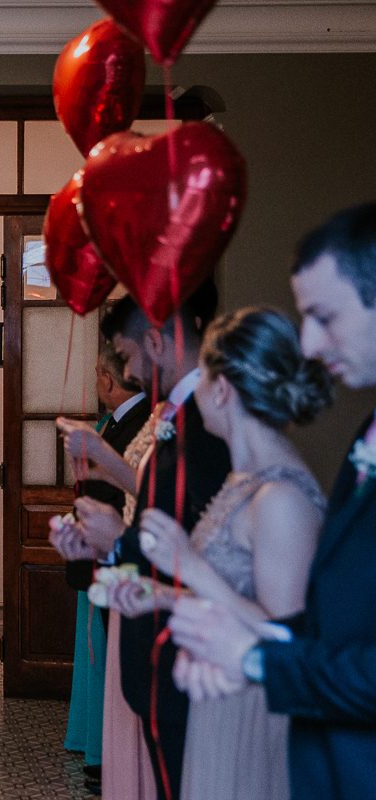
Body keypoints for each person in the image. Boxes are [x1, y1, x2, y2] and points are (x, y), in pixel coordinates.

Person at [169, 203, 376, 799]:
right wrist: (226, 645)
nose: (308, 342)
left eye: (324, 315)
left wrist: (256, 660)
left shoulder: (279, 495)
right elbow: (330, 620)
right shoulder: (364, 437)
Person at [113, 307, 331, 800]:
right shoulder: (242, 481)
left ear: (223, 390)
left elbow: (288, 638)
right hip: (215, 701)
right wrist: (161, 595)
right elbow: (233, 598)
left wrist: (188, 565)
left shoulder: (281, 499)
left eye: (204, 376)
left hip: (255, 711)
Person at [51, 285, 230, 800]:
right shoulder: (172, 413)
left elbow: (199, 534)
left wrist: (119, 540)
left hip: (181, 641)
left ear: (154, 342)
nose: (127, 373)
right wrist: (106, 541)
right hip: (152, 628)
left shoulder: (207, 417)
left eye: (127, 356)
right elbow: (159, 500)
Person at [63, 341, 148, 794]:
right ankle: (96, 745)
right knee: (98, 655)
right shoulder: (116, 422)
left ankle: (107, 756)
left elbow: (128, 491)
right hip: (97, 551)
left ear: (108, 380)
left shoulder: (141, 426)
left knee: (107, 659)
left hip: (117, 556)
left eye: (98, 373)